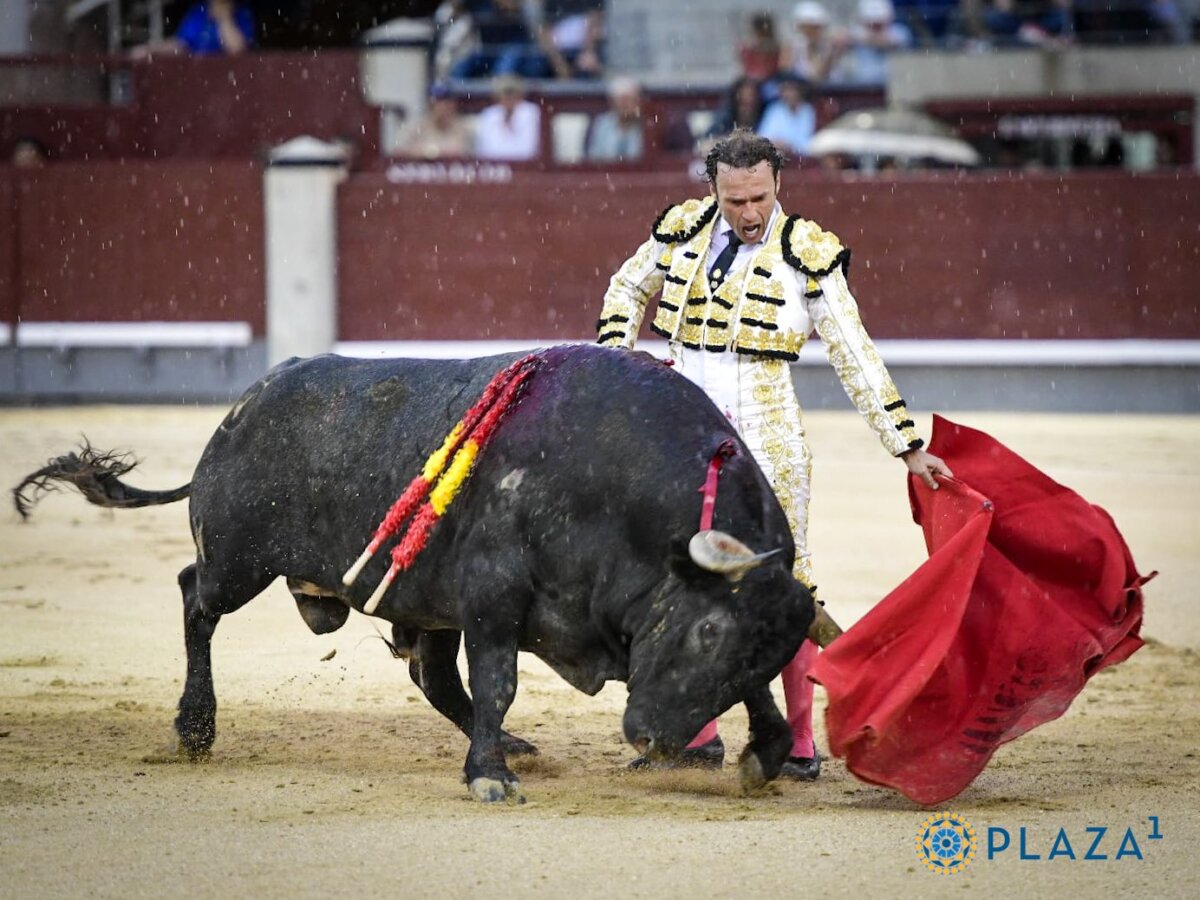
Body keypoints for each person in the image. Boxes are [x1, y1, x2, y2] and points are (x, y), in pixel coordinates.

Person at [595, 129, 951, 779]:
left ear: (778, 185)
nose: (750, 212)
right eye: (735, 200)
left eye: (759, 197)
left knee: (786, 584)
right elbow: (625, 290)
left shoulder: (805, 251)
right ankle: (695, 735)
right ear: (714, 189)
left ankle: (799, 742)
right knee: (677, 578)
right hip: (681, 429)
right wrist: (621, 365)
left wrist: (907, 446)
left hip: (768, 430)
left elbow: (854, 352)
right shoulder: (682, 231)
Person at [831, 0, 913, 87]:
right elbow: (838, 39)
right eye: (873, 22)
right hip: (863, 86)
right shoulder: (858, 32)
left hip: (894, 85)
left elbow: (888, 42)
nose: (876, 26)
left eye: (879, 22)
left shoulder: (900, 32)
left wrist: (858, 39)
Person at [133, 0, 255, 57]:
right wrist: (151, 50)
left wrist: (224, 19)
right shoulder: (199, 11)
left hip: (230, 82)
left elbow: (238, 50)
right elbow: (181, 44)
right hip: (198, 79)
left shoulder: (242, 14)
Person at [473, 74, 542, 161]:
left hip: (526, 168)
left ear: (521, 94)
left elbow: (528, 151)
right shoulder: (489, 115)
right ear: (497, 96)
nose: (508, 97)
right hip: (495, 169)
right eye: (505, 93)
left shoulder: (532, 112)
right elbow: (484, 151)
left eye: (512, 92)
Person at [400, 84, 473, 159]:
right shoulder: (416, 127)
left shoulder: (462, 129)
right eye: (440, 103)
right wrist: (429, 152)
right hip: (420, 169)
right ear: (431, 105)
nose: (445, 107)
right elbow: (398, 153)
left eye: (448, 103)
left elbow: (465, 153)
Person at [782, 1, 848, 84]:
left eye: (816, 28)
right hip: (806, 92)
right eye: (810, 27)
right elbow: (786, 72)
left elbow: (819, 75)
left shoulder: (829, 44)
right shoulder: (792, 46)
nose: (813, 32)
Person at [756, 73, 817, 156]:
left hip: (800, 158)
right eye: (785, 89)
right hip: (776, 156)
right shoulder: (774, 109)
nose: (789, 94)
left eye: (792, 89)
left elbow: (808, 143)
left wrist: (789, 147)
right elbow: (763, 137)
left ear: (800, 90)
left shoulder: (808, 110)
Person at [585, 77, 644, 161]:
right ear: (613, 102)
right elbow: (595, 156)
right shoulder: (602, 124)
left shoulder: (646, 126)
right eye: (622, 101)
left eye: (630, 100)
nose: (626, 105)